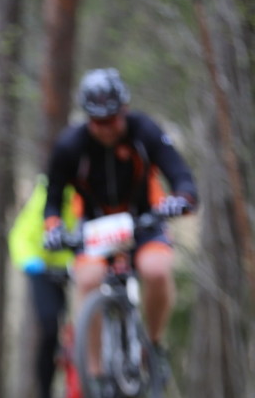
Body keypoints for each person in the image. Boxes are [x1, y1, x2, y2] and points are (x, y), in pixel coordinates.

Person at [43, 68, 197, 372]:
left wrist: (181, 198)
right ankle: (96, 375)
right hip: (95, 228)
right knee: (87, 281)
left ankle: (153, 347)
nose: (106, 129)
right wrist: (54, 228)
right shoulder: (70, 146)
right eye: (97, 122)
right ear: (87, 117)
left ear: (124, 110)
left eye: (112, 119)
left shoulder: (145, 131)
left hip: (144, 220)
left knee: (156, 270)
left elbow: (181, 177)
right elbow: (52, 201)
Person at [8, 177, 81, 398]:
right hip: (45, 269)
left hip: (83, 266)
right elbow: (21, 235)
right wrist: (30, 262)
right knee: (50, 329)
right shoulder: (49, 188)